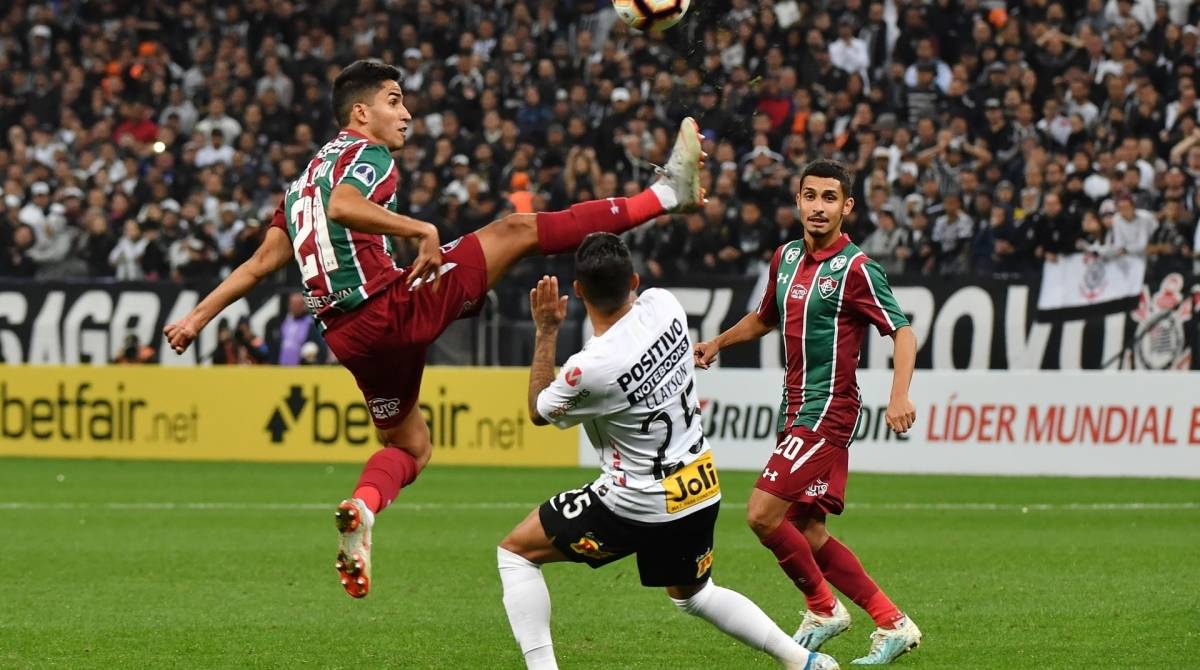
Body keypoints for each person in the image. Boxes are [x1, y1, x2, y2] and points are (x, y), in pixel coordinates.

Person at [162, 60, 706, 599]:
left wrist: (194, 318)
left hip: (347, 335)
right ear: (360, 112)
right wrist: (421, 228)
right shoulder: (365, 154)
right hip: (390, 307)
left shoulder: (299, 185)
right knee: (516, 230)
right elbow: (347, 206)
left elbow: (260, 264)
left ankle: (365, 506)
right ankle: (663, 197)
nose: (407, 114)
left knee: (411, 445)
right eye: (394, 101)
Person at [497, 233, 838, 670]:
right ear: (635, 280)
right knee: (695, 594)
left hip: (637, 501)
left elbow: (538, 410)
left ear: (578, 291)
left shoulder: (591, 368)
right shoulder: (665, 305)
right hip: (699, 485)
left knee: (516, 553)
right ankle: (805, 661)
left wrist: (546, 330)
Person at [694, 159, 922, 666]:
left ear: (847, 207)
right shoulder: (786, 257)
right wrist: (717, 343)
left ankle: (822, 608)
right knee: (807, 528)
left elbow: (902, 331)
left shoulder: (858, 268)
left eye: (829, 198)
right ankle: (893, 624)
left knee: (761, 513)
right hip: (793, 405)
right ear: (797, 201)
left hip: (829, 409)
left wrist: (900, 393)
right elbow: (763, 318)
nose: (818, 207)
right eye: (810, 196)